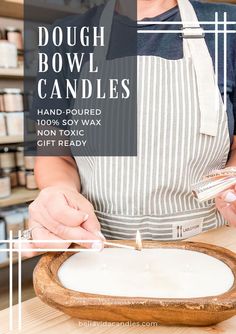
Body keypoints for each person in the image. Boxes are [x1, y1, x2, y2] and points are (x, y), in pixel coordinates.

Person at [23, 0, 236, 256]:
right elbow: (55, 154)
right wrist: (59, 191)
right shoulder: (66, 37)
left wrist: (231, 180)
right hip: (98, 247)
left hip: (209, 246)